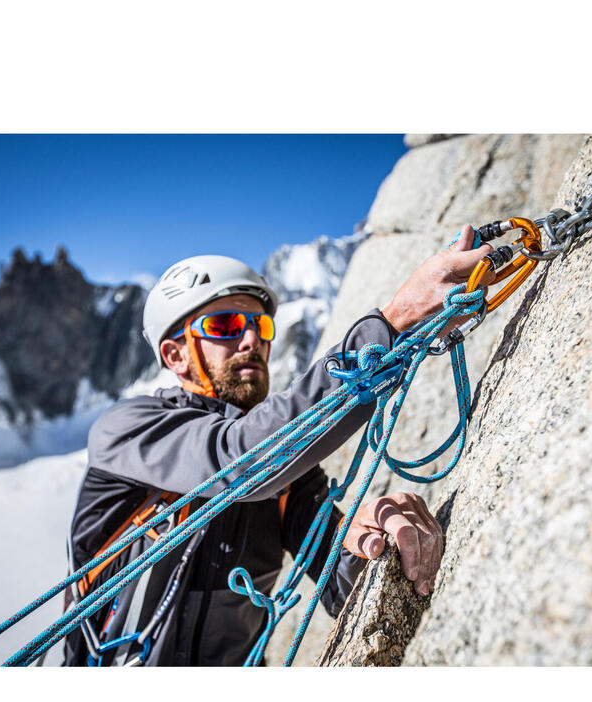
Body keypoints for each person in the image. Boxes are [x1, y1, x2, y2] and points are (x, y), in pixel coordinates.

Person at [63, 227, 493, 666]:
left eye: (260, 325)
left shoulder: (288, 474)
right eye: (226, 325)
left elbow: (343, 584)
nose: (252, 340)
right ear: (175, 355)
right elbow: (239, 459)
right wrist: (395, 320)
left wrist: (376, 539)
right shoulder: (127, 430)